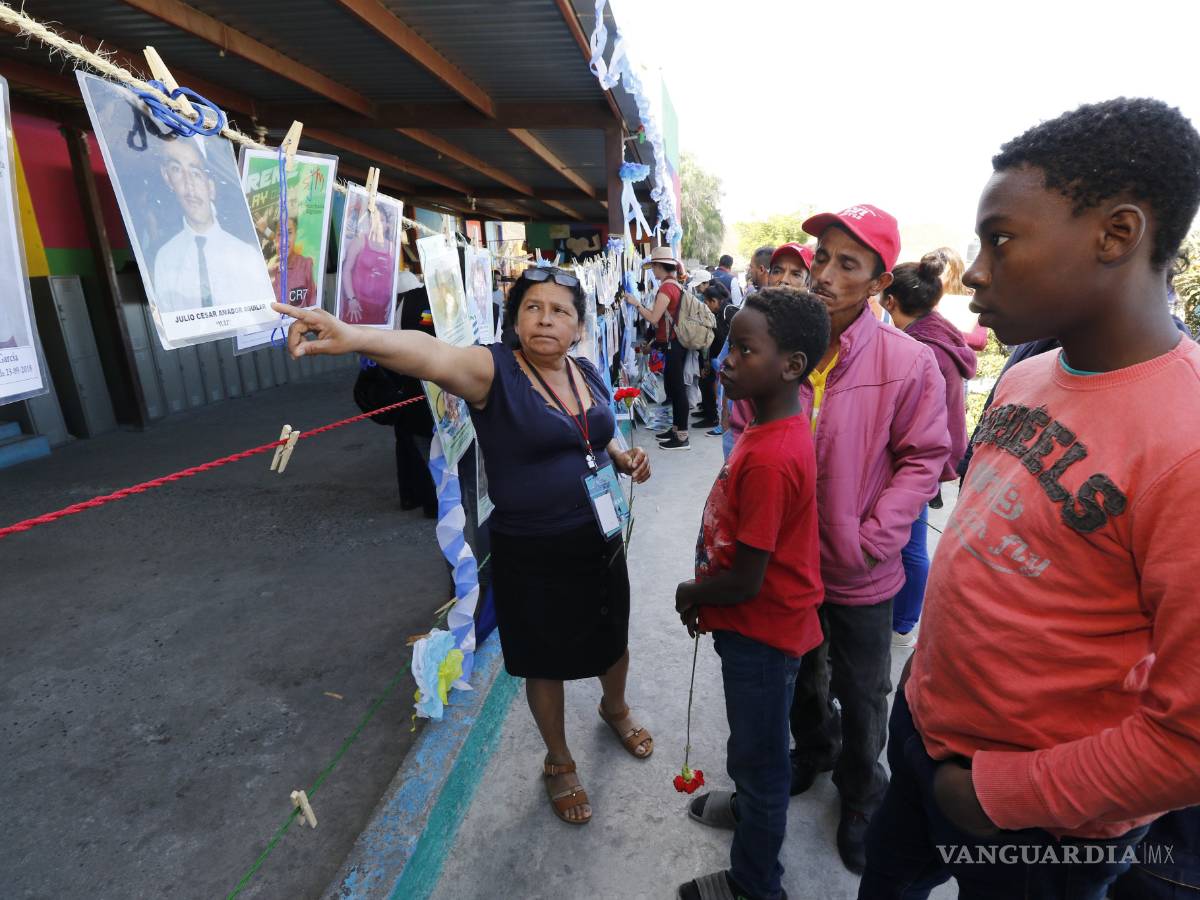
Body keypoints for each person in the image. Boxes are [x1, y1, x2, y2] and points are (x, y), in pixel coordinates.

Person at [859, 97, 1200, 900]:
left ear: (1117, 234)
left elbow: (1188, 741)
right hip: (924, 732)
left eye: (1001, 240)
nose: (973, 271)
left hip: (1040, 820)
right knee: (888, 878)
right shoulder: (1026, 374)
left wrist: (994, 796)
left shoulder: (1186, 447)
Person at [273, 265, 654, 826]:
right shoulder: (492, 370)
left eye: (560, 310)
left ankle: (614, 707)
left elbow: (597, 432)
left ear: (578, 326)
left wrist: (621, 456)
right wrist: (354, 336)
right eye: (533, 307)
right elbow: (429, 354)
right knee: (543, 659)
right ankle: (559, 759)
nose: (546, 318)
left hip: (599, 539)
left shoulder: (586, 371)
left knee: (611, 633)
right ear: (516, 318)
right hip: (533, 549)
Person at [786, 204, 950, 875]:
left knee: (863, 688)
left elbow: (925, 457)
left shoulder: (908, 362)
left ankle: (860, 795)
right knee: (801, 672)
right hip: (787, 561)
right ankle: (813, 751)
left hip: (861, 568)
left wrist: (874, 536)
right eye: (821, 257)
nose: (823, 273)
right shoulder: (783, 337)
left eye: (846, 263)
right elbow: (744, 423)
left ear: (880, 282)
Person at [674, 288, 831, 900]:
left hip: (760, 632)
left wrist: (693, 591)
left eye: (744, 349)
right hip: (763, 625)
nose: (726, 360)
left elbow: (747, 578)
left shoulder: (769, 456)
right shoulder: (773, 428)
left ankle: (754, 884)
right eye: (729, 345)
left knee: (760, 763)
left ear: (790, 366)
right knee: (757, 746)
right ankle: (749, 809)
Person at [878, 260, 977, 647]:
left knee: (911, 544)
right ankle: (901, 618)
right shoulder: (940, 336)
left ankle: (902, 623)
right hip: (933, 455)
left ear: (890, 298)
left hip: (917, 458)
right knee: (910, 541)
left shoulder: (920, 348)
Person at [151, 136, 268, 313]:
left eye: (196, 173)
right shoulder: (165, 258)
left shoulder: (246, 255)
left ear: (211, 187)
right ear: (167, 178)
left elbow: (262, 317)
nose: (189, 185)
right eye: (176, 170)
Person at [724, 243, 816, 457]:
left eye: (795, 273)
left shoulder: (815, 331)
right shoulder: (750, 320)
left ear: (808, 282)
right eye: (777, 270)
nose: (783, 280)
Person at [622, 246, 692, 450]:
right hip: (675, 343)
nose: (652, 270)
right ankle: (676, 429)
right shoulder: (675, 285)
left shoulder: (666, 288)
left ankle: (682, 437)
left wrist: (636, 303)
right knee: (674, 387)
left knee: (677, 390)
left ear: (661, 266)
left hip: (674, 345)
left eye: (653, 266)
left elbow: (654, 318)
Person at [925, 246, 988, 351]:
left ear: (953, 271)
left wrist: (941, 331)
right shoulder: (925, 300)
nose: (934, 275)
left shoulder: (972, 301)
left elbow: (979, 341)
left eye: (940, 269)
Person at [694, 281, 733, 430]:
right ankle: (708, 412)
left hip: (722, 359)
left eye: (706, 302)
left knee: (711, 385)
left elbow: (723, 339)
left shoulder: (726, 312)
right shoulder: (719, 312)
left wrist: (713, 361)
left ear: (714, 301)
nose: (705, 305)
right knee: (705, 383)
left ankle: (712, 417)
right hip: (716, 357)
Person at [268, 215, 317, 307]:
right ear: (275, 237)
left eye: (289, 233)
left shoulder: (306, 264)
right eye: (280, 234)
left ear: (296, 235)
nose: (284, 240)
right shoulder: (268, 269)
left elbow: (313, 305)